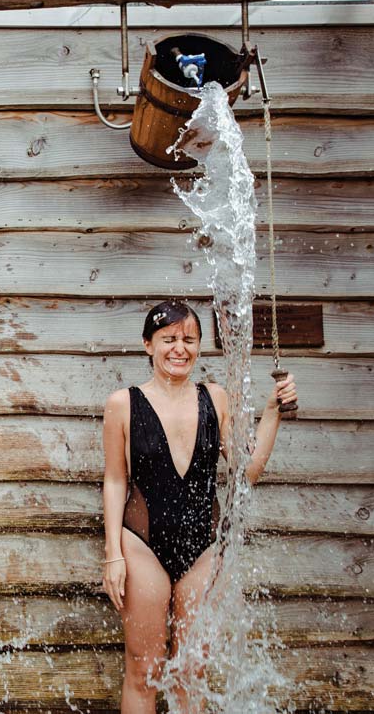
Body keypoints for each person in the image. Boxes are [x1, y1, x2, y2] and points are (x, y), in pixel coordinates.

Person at [100, 300, 298, 714]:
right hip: (141, 546)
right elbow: (116, 479)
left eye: (189, 339)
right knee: (143, 669)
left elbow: (247, 471)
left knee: (192, 670)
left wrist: (272, 412)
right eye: (169, 339)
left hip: (203, 549)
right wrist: (112, 556)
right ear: (148, 345)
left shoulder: (216, 399)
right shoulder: (123, 403)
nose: (180, 348)